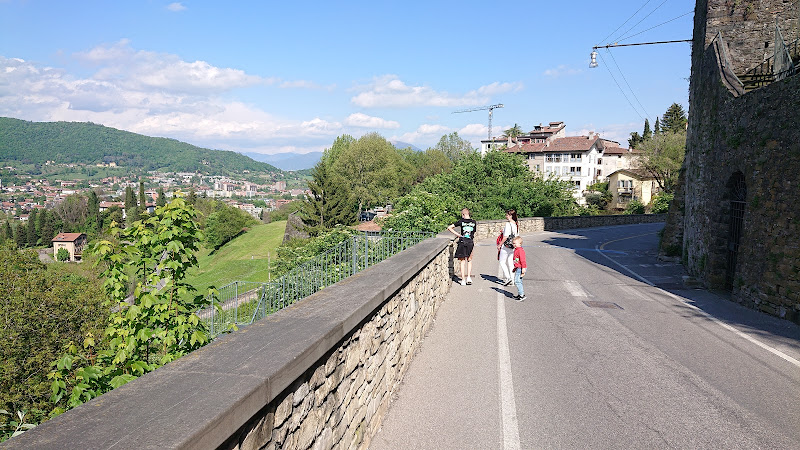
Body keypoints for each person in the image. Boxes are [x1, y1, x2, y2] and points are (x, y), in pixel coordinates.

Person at [447, 208, 477, 286]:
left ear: (463, 214)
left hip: (462, 241)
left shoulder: (461, 221)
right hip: (470, 242)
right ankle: (469, 277)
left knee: (462, 261)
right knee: (469, 260)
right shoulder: (474, 222)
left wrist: (458, 235)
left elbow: (449, 227)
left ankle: (463, 279)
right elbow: (473, 233)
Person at [496, 209, 519, 285]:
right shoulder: (515, 224)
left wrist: (500, 245)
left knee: (502, 262)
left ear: (510, 216)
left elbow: (505, 237)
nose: (506, 216)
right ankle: (512, 279)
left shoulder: (508, 224)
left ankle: (508, 277)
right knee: (510, 263)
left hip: (506, 245)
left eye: (507, 215)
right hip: (512, 245)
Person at [511, 236, 527, 301]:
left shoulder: (520, 250)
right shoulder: (516, 250)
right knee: (519, 281)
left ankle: (522, 295)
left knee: (517, 281)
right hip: (518, 268)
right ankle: (520, 294)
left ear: (520, 244)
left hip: (521, 268)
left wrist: (523, 268)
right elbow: (516, 261)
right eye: (513, 243)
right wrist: (514, 268)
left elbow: (523, 260)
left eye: (515, 243)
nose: (514, 245)